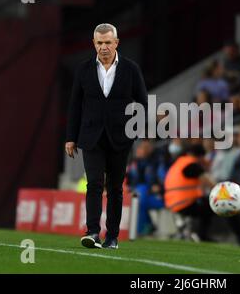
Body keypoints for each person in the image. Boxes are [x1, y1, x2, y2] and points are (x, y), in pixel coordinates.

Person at [65, 23, 148, 249]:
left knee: (115, 188)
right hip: (91, 136)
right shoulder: (83, 69)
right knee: (93, 183)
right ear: (94, 44)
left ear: (116, 43)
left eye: (108, 43)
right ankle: (92, 232)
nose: (103, 47)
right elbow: (74, 105)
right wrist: (70, 137)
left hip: (120, 138)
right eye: (99, 43)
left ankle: (112, 237)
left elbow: (143, 103)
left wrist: (135, 131)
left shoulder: (131, 69)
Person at [164, 144, 215, 241]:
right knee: (211, 206)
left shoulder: (180, 162)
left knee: (204, 203)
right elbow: (208, 182)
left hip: (172, 202)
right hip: (184, 203)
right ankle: (202, 236)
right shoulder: (191, 164)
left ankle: (190, 231)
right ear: (200, 156)